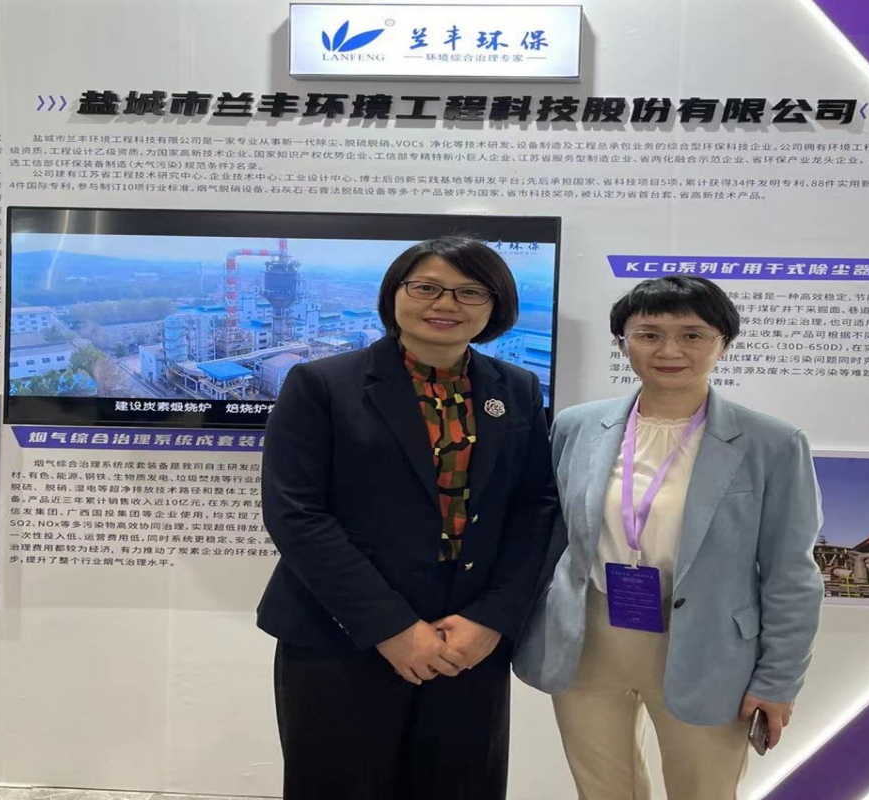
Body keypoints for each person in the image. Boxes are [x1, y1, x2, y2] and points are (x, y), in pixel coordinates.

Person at [258, 235, 557, 800]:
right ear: (394, 293)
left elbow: (535, 506)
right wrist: (391, 628)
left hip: (466, 639)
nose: (446, 304)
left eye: (470, 292)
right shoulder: (322, 384)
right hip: (342, 635)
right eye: (426, 288)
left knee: (460, 785)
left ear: (496, 305)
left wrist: (493, 617)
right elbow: (297, 514)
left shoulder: (515, 388)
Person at [515, 275, 824, 800]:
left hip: (708, 644)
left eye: (692, 335)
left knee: (703, 790)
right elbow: (553, 535)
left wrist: (778, 680)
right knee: (602, 791)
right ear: (623, 343)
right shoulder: (576, 426)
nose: (670, 351)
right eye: (649, 334)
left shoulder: (772, 442)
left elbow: (791, 572)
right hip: (589, 635)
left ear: (723, 343)